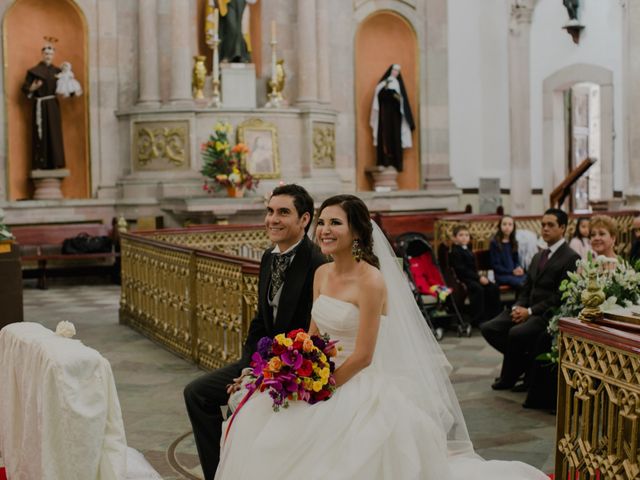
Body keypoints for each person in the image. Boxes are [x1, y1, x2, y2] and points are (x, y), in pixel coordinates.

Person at [215, 194, 548, 479]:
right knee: (258, 426)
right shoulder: (321, 272)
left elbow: (364, 355)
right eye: (322, 222)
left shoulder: (371, 281)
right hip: (319, 374)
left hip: (355, 379)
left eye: (336, 223)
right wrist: (292, 370)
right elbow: (313, 336)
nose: (325, 230)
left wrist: (323, 388)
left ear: (357, 231)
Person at [183, 184, 326, 480]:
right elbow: (261, 321)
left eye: (283, 212)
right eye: (270, 211)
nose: (272, 219)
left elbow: (314, 328)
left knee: (244, 407)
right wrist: (248, 366)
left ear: (304, 220)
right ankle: (219, 472)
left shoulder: (318, 262)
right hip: (263, 359)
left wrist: (265, 372)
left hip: (296, 365)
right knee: (197, 393)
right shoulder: (268, 257)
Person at [480, 208, 580, 392]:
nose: (545, 229)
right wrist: (518, 307)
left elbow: (560, 296)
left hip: (545, 314)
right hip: (526, 309)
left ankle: (509, 376)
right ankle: (523, 365)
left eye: (550, 225)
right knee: (489, 328)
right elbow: (527, 287)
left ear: (563, 228)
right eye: (543, 225)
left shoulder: (571, 257)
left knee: (516, 333)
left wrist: (530, 312)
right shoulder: (538, 256)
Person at [21, 41, 65, 170]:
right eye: (46, 53)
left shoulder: (58, 71)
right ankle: (41, 163)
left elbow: (65, 86)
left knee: (54, 133)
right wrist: (33, 87)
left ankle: (55, 162)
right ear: (42, 54)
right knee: (41, 133)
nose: (48, 56)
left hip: (53, 105)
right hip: (40, 104)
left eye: (51, 54)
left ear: (54, 55)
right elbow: (24, 89)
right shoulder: (34, 72)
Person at [448, 225, 502, 326]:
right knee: (478, 289)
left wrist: (481, 277)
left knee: (493, 287)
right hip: (463, 279)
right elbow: (462, 270)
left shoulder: (467, 249)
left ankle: (494, 316)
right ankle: (478, 319)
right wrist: (479, 278)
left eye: (466, 235)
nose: (464, 237)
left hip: (473, 277)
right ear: (455, 238)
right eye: (461, 235)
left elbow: (473, 268)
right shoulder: (455, 252)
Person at [369, 64, 415, 172]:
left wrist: (393, 95)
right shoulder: (383, 84)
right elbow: (378, 97)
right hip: (384, 117)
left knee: (394, 138)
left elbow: (401, 101)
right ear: (391, 71)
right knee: (384, 137)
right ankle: (383, 160)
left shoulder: (398, 85)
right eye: (394, 70)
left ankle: (395, 162)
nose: (395, 73)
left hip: (395, 118)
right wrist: (387, 93)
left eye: (398, 71)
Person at [489, 215, 526, 289]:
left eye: (510, 224)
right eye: (504, 224)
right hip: (501, 275)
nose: (507, 227)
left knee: (530, 280)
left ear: (513, 227)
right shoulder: (494, 243)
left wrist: (518, 268)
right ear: (500, 226)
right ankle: (521, 300)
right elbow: (495, 265)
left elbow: (516, 260)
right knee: (521, 284)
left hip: (513, 273)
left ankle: (522, 300)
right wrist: (511, 271)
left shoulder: (514, 242)